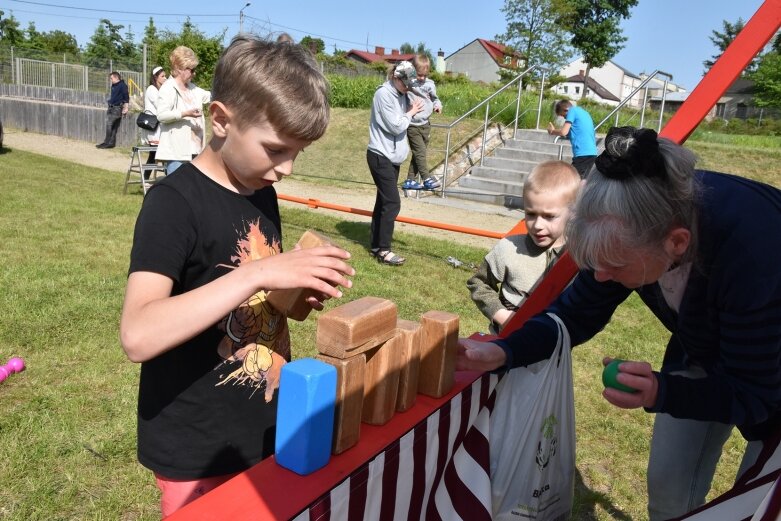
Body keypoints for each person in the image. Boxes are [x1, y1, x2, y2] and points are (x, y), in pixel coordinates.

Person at [456, 126, 781, 520]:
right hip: (702, 346)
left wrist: (663, 391)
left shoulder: (755, 256)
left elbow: (757, 397)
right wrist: (504, 350)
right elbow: (573, 314)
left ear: (676, 243)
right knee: (669, 496)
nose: (602, 276)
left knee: (759, 500)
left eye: (614, 265)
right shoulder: (634, 214)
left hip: (771, 374)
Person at [119, 36, 355, 517]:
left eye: (298, 153)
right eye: (276, 149)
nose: (286, 168)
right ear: (221, 120)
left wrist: (294, 295)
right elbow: (137, 335)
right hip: (198, 448)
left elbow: (254, 289)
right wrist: (263, 273)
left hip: (266, 425)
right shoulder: (172, 205)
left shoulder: (259, 190)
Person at [467, 160, 580, 334]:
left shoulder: (579, 258)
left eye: (549, 216)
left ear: (572, 213)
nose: (537, 225)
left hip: (553, 353)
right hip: (503, 347)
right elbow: (478, 283)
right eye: (531, 214)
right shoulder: (508, 249)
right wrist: (500, 314)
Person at [366, 60, 424, 266]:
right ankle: (384, 250)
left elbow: (413, 116)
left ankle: (376, 246)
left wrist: (427, 105)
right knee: (392, 202)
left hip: (392, 158)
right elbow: (395, 126)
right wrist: (410, 112)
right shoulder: (383, 95)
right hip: (380, 155)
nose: (409, 87)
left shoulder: (402, 94)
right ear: (396, 78)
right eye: (406, 83)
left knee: (383, 202)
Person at [156, 46, 211, 175]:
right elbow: (161, 115)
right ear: (179, 69)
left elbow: (211, 96)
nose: (194, 73)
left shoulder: (193, 88)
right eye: (191, 70)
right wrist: (184, 113)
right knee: (177, 192)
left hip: (196, 151)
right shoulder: (168, 88)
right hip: (177, 152)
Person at [401, 54, 442, 192]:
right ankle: (427, 178)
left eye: (425, 75)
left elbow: (436, 99)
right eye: (419, 75)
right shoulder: (409, 83)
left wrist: (437, 106)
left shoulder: (430, 85)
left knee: (418, 154)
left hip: (425, 125)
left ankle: (410, 180)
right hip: (412, 125)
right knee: (420, 153)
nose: (422, 78)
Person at [547, 99, 597, 178]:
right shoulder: (584, 112)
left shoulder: (572, 111)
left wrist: (552, 131)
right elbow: (576, 132)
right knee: (581, 181)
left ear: (565, 110)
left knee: (570, 179)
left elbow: (564, 132)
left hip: (582, 154)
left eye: (563, 116)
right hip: (592, 153)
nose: (564, 118)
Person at [95, 71, 129, 149]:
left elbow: (126, 97)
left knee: (109, 124)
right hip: (111, 107)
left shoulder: (123, 85)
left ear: (116, 77)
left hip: (117, 108)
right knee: (113, 126)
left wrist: (126, 107)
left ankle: (106, 142)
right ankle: (111, 143)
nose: (110, 80)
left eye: (111, 78)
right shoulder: (114, 85)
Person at [142, 66, 167, 167]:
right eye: (163, 76)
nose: (165, 78)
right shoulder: (152, 89)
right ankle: (146, 177)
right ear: (156, 77)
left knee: (158, 154)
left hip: (159, 126)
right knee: (154, 153)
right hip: (154, 126)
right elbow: (160, 105)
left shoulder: (160, 90)